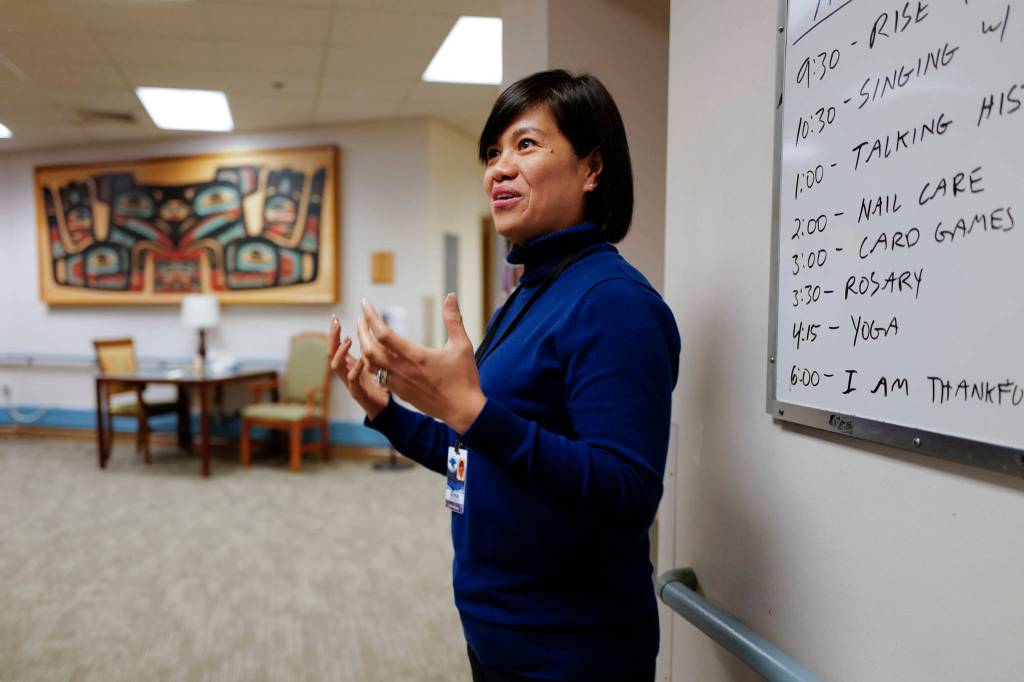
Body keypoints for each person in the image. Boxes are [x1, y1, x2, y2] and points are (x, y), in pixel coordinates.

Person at [328, 69, 680, 682]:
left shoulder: (613, 302)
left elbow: (628, 494)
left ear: (592, 169)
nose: (498, 168)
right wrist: (386, 412)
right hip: (496, 630)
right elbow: (481, 453)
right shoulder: (527, 294)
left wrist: (471, 410)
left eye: (526, 144)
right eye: (492, 153)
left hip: (571, 651)